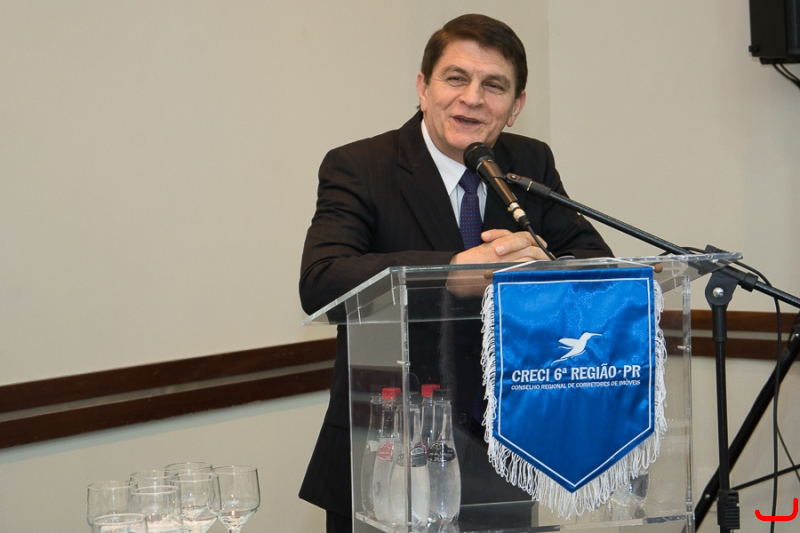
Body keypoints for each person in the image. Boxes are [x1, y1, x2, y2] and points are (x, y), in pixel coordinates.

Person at [298, 14, 612, 532]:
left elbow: (593, 264)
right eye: (456, 78)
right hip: (390, 455)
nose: (472, 98)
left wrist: (546, 269)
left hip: (504, 454)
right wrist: (449, 272)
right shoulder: (361, 165)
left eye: (494, 86)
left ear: (516, 106)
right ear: (423, 88)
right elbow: (322, 280)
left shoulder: (529, 161)